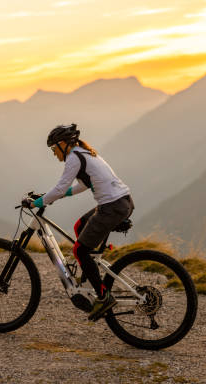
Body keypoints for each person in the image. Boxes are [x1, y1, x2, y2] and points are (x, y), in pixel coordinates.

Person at [30, 124, 134, 321]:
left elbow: (60, 188)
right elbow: (84, 185)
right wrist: (50, 197)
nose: (54, 153)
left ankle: (103, 296)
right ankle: (89, 272)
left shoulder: (73, 158)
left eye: (54, 149)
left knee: (79, 251)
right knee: (80, 226)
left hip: (112, 207)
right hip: (122, 202)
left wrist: (37, 202)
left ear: (62, 144)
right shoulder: (83, 152)